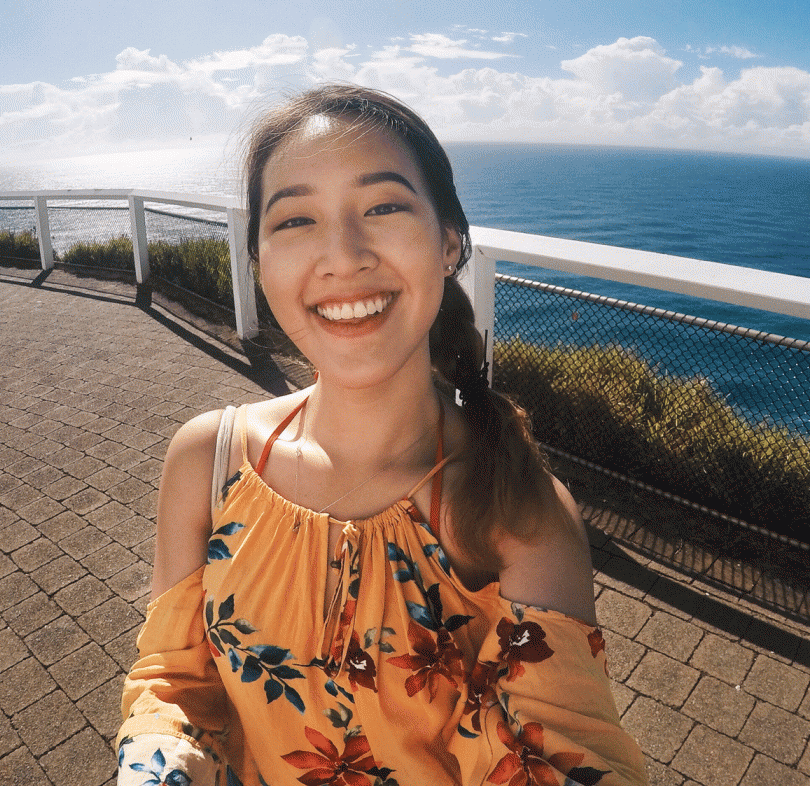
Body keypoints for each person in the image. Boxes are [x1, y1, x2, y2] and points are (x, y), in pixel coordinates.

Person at [116, 84, 646, 786]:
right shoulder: (208, 463)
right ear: (258, 262)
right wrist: (160, 767)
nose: (342, 255)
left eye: (385, 206)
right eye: (295, 220)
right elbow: (172, 677)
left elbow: (559, 755)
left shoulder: (517, 510)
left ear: (450, 242)